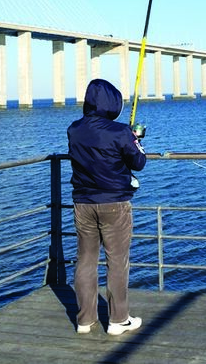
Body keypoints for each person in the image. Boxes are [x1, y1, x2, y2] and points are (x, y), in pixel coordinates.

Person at [67, 78, 146, 335]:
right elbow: (138, 162)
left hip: (83, 204)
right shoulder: (120, 131)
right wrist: (135, 141)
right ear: (112, 103)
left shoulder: (74, 129)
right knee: (117, 261)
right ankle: (117, 320)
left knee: (86, 260)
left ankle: (85, 320)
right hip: (114, 204)